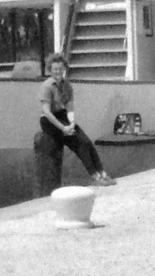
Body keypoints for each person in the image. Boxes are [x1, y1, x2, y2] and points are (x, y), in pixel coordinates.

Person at [36, 54, 115, 188]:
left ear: (64, 69)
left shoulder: (67, 85)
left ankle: (102, 172)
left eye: (60, 69)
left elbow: (70, 107)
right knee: (78, 143)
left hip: (62, 115)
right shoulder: (47, 86)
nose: (58, 72)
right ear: (50, 70)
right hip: (50, 121)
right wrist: (63, 128)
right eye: (55, 69)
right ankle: (94, 176)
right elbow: (47, 112)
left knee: (86, 141)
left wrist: (72, 122)